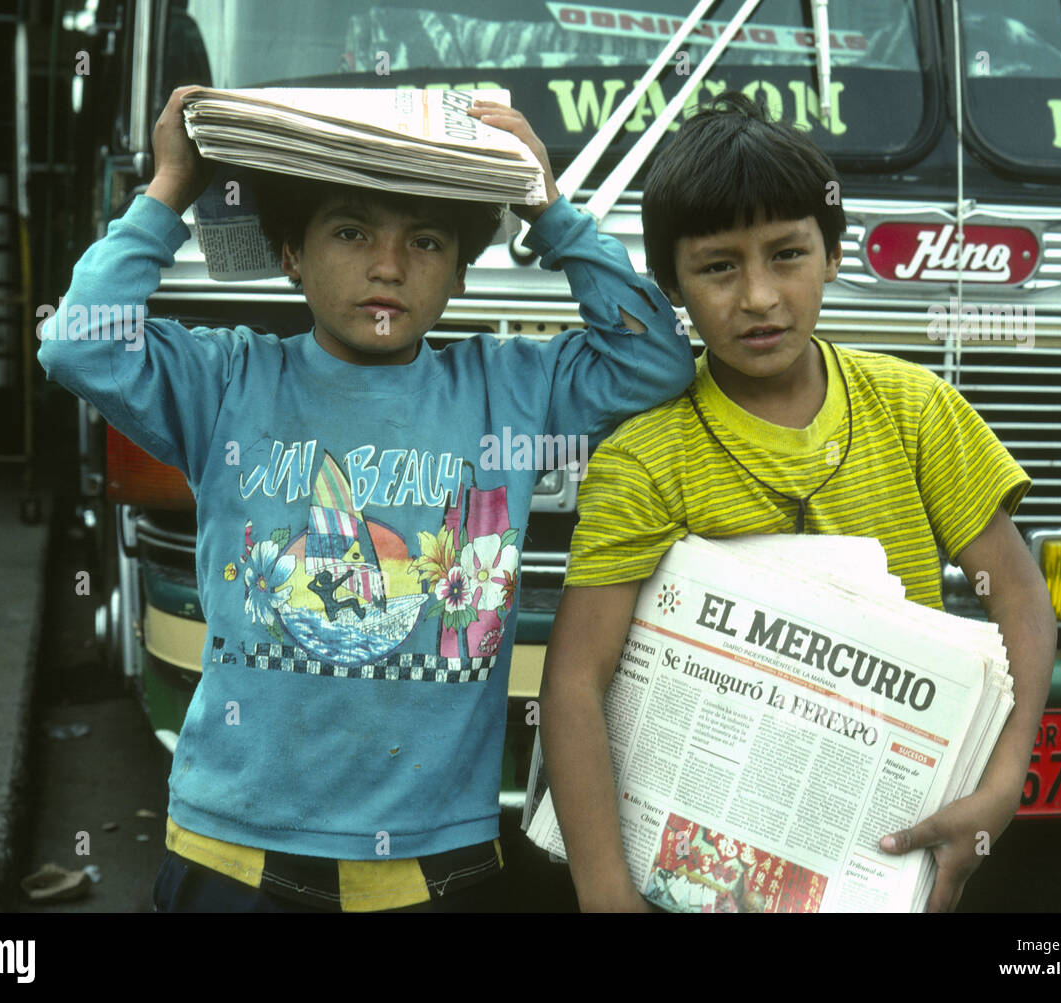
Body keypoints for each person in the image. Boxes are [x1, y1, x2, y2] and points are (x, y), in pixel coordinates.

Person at [37, 86, 694, 912]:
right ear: (291, 253)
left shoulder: (509, 391)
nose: (388, 265)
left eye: (425, 242)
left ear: (460, 271)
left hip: (435, 862)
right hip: (234, 851)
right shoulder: (230, 380)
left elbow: (656, 361)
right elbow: (74, 343)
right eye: (351, 232)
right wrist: (172, 188)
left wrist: (548, 209)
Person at [538, 92, 1056, 913]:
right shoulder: (645, 454)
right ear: (671, 280)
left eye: (787, 255)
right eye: (717, 266)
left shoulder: (915, 408)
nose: (758, 297)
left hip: (881, 859)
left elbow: (1018, 591)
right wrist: (606, 891)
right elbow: (573, 680)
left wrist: (1002, 783)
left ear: (835, 252)